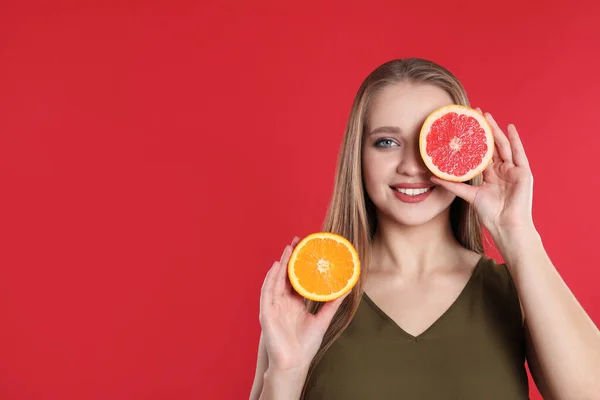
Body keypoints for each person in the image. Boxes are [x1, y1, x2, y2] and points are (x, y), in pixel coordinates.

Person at [249, 58, 600, 400]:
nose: (413, 166)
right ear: (358, 155)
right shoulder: (309, 289)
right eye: (387, 141)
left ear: (464, 155)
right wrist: (288, 370)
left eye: (431, 142)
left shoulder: (517, 291)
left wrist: (518, 231)